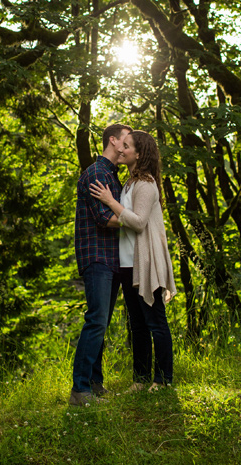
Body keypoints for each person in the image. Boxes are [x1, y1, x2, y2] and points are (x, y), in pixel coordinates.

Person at [90, 130, 177, 391]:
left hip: (145, 263)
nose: (121, 150)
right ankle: (140, 380)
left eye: (126, 147)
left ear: (138, 154)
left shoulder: (146, 183)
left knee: (156, 323)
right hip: (127, 264)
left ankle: (163, 380)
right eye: (122, 145)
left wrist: (109, 201)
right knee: (137, 325)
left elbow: (138, 223)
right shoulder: (128, 183)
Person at [69, 123, 133, 407]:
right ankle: (80, 391)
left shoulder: (112, 176)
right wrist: (139, 220)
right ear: (113, 141)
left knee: (102, 323)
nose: (128, 148)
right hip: (97, 257)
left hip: (111, 258)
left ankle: (95, 385)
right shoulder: (97, 173)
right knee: (96, 320)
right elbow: (106, 218)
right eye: (126, 142)